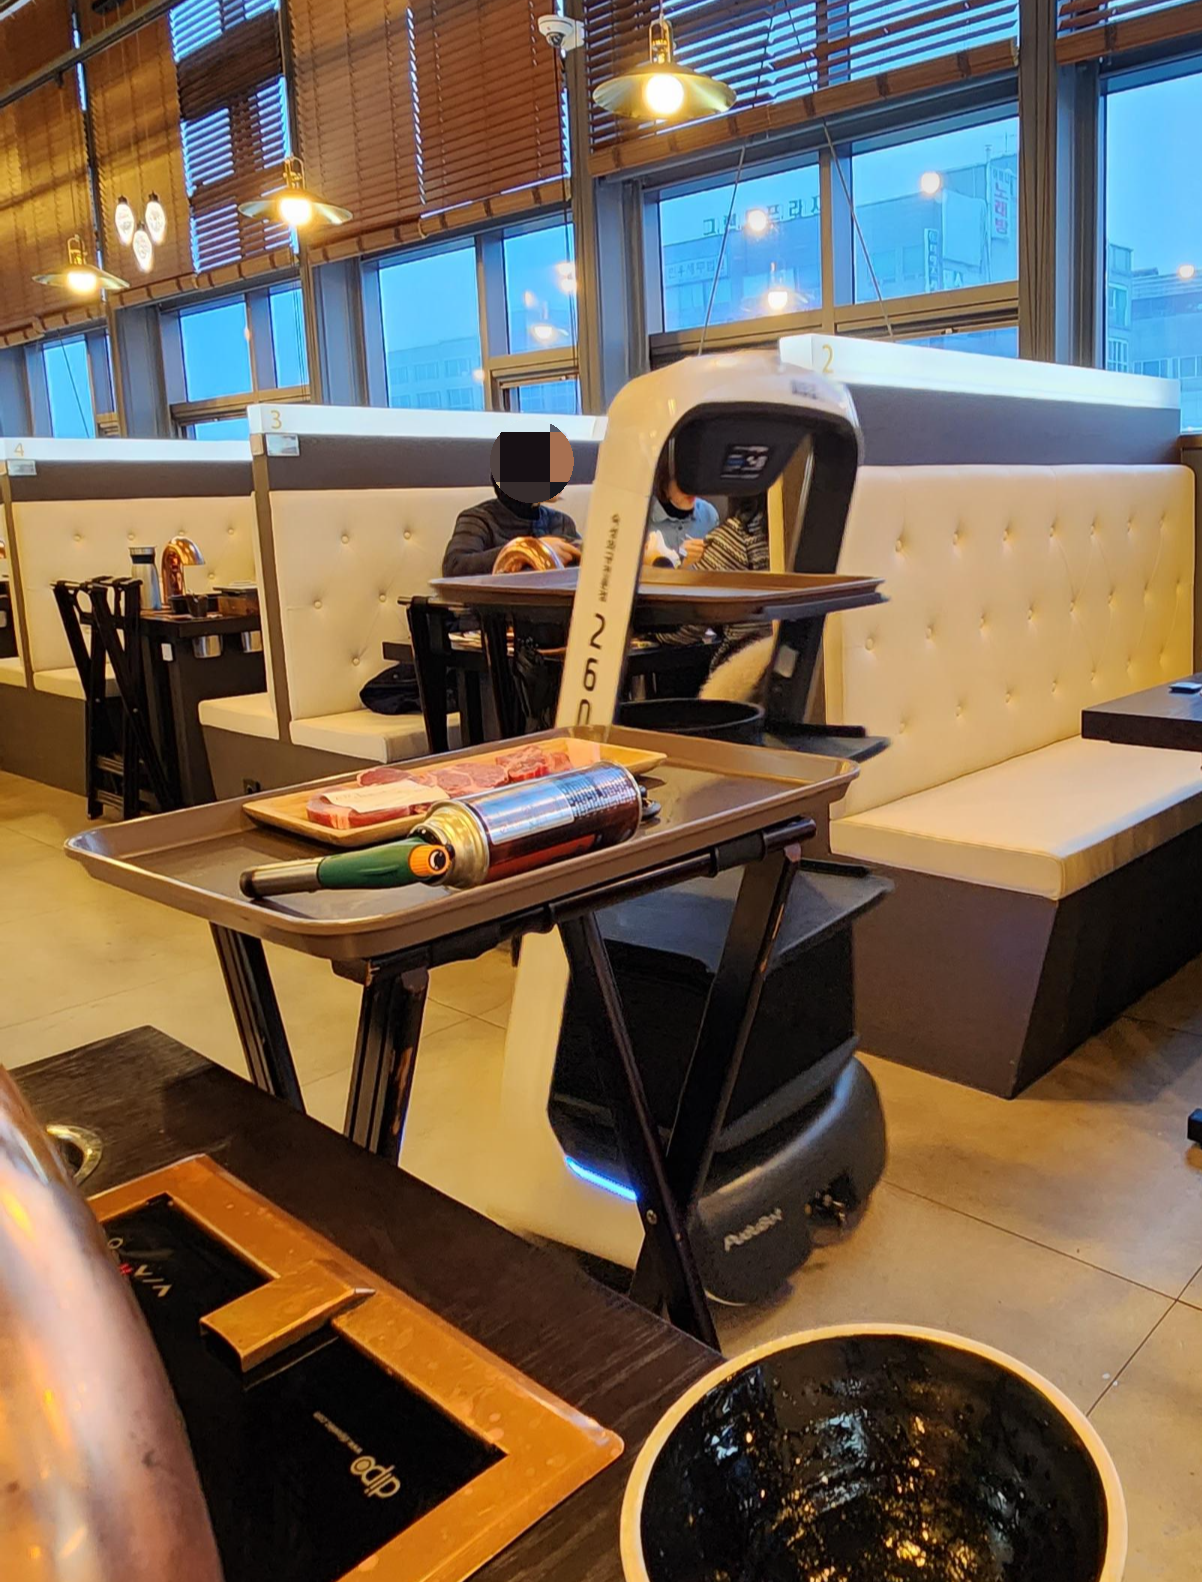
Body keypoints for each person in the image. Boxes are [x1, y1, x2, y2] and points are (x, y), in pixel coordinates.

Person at [656, 494, 770, 671]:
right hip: (780, 663)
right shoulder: (790, 529)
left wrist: (661, 565)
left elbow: (681, 628)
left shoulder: (736, 536)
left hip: (744, 671)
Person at [442, 481, 579, 577]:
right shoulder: (479, 518)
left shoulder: (561, 522)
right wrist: (532, 549)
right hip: (497, 608)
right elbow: (454, 566)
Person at [645, 454, 719, 566]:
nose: (692, 489)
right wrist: (681, 558)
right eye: (684, 481)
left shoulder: (709, 515)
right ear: (663, 483)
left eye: (695, 479)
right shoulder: (644, 519)